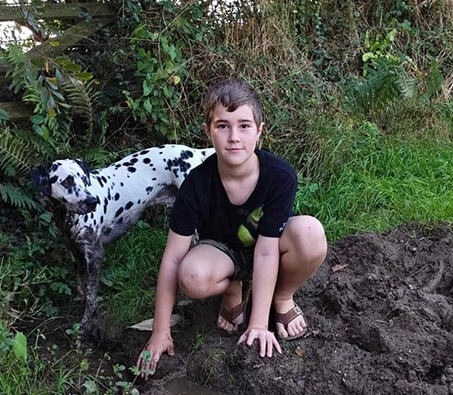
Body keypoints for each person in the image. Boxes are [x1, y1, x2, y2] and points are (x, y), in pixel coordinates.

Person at [136, 78, 327, 378]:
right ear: (208, 131)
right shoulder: (196, 184)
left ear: (260, 131)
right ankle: (232, 291)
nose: (234, 137)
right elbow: (172, 258)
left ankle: (282, 297)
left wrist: (258, 325)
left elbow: (267, 251)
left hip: (270, 246)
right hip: (222, 253)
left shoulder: (280, 175)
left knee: (311, 233)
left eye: (244, 126)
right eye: (223, 126)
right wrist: (160, 331)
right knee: (191, 275)